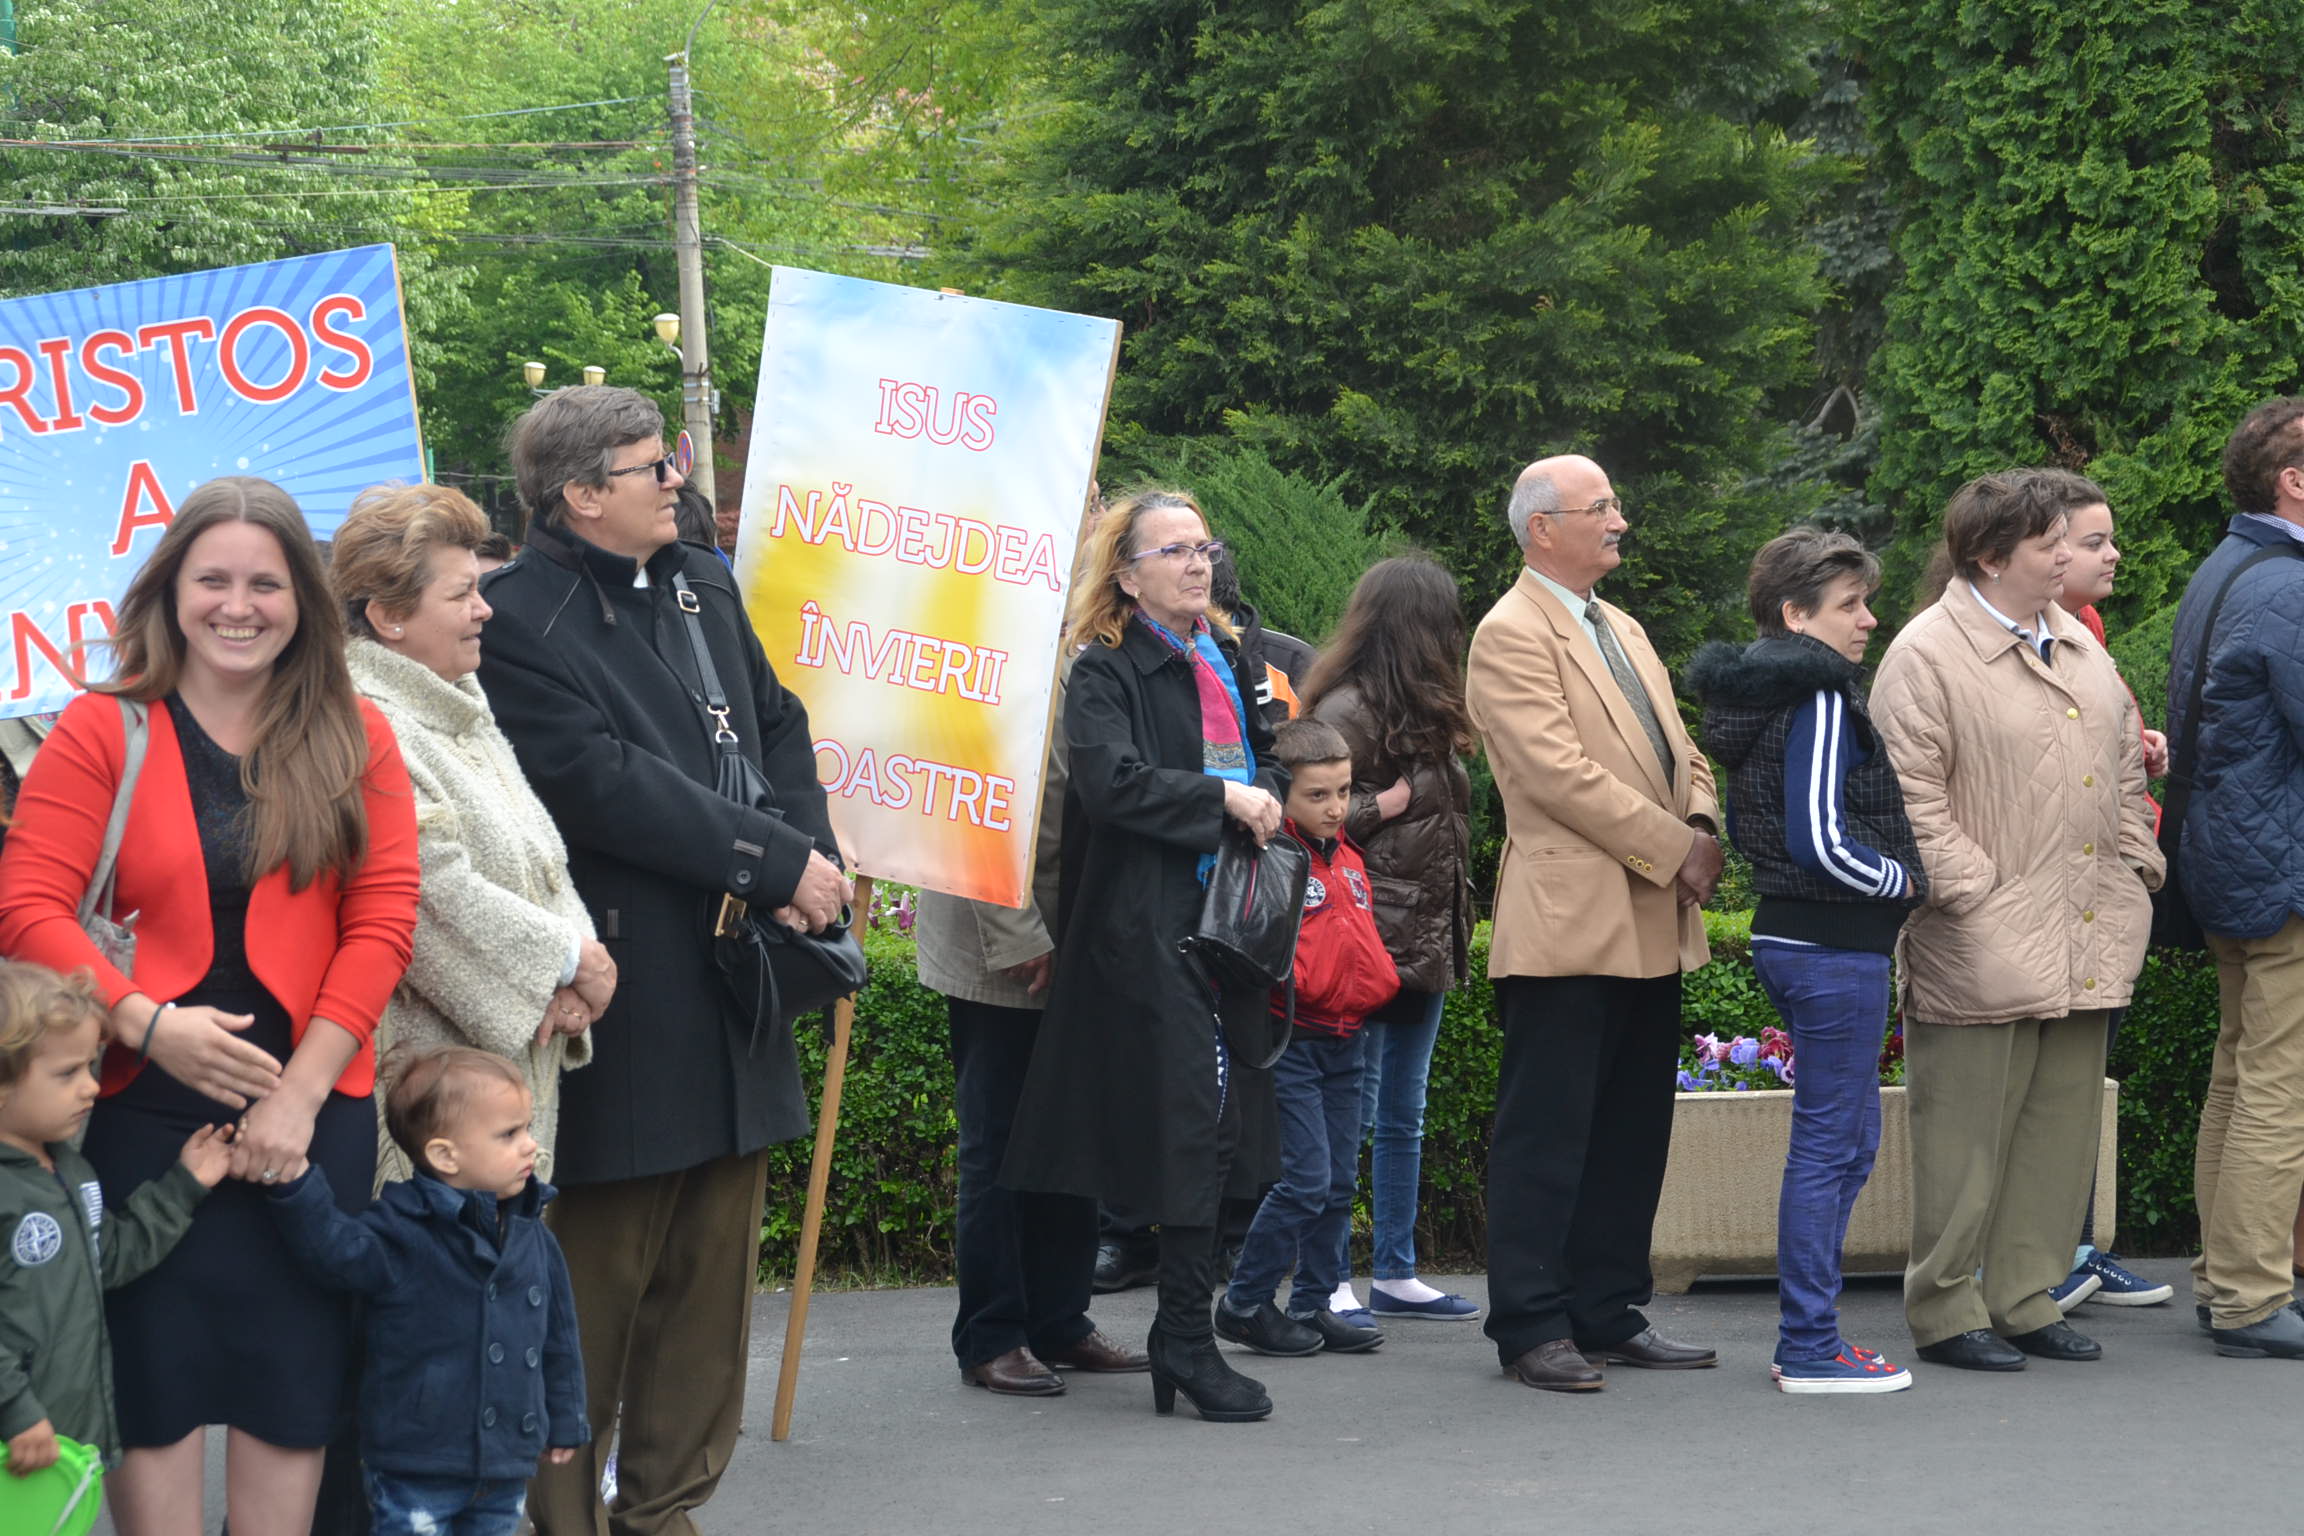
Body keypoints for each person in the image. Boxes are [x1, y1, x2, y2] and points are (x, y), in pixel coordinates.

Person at [0, 476, 421, 1535]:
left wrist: (300, 1099)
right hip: (138, 1117)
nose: (239, 606)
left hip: (306, 1126)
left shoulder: (359, 733)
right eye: (213, 580)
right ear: (170, 590)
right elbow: (25, 906)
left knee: (293, 1394)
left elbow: (383, 919)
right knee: (155, 1394)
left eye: (265, 584)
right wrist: (147, 1024)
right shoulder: (102, 728)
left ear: (303, 600)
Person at [474, 386, 849, 1533]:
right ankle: (566, 1521)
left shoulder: (702, 581)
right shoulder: (517, 620)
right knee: (593, 1291)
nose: (677, 480)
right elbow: (603, 784)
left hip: (741, 984)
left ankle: (666, 1511)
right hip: (628, 997)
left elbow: (777, 724)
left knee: (710, 1292)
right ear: (582, 494)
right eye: (653, 466)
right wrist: (772, 863)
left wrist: (814, 863)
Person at [1000, 488, 1288, 1424]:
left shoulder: (1228, 656)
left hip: (1229, 927)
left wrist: (1267, 792)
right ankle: (1187, 1341)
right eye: (1174, 550)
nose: (1199, 563)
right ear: (1126, 576)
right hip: (1150, 931)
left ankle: (1183, 1338)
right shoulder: (1104, 669)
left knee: (1223, 1130)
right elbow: (1110, 785)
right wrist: (1223, 800)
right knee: (1188, 1130)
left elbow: (1274, 756)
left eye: (1204, 546)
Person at [1871, 467, 2161, 1372]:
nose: (2074, 555)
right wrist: (1975, 892)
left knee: (2058, 1132)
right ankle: (1946, 1309)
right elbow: (1908, 800)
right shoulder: (1924, 654)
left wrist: (2134, 868)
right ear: (1992, 558)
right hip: (1977, 937)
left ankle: (2026, 1297)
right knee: (1962, 1139)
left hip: (2088, 926)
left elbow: (2124, 771)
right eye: (2054, 543)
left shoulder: (2077, 642)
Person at [1466, 454, 1723, 1393]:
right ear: (1542, 528)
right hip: (1570, 921)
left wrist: (1702, 821)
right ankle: (1531, 1324)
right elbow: (1554, 776)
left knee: (1629, 1130)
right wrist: (1676, 846)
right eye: (1601, 507)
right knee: (1547, 1135)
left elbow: (1681, 747)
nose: (1620, 521)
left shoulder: (1621, 624)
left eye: (1616, 503)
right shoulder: (1508, 632)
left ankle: (1607, 1310)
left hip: (1650, 911)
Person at [1687, 528, 1924, 1393]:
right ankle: (1811, 1345)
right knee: (1831, 1146)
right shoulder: (1819, 695)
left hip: (1803, 940)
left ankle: (1813, 1338)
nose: (1868, 620)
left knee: (1846, 1140)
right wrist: (1902, 880)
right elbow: (1818, 837)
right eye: (1850, 605)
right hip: (1831, 944)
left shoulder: (1778, 692)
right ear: (1795, 615)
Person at [328, 483, 613, 1185]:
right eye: (461, 594)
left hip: (494, 1106)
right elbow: (426, 893)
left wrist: (575, 969)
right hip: (430, 1124)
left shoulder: (457, 701)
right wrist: (567, 960)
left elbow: (543, 860)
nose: (486, 608)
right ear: (389, 617)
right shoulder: (367, 726)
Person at [913, 670, 1148, 1395]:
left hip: (1078, 943)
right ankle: (992, 1334)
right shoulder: (1001, 647)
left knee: (1073, 1137)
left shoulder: (1100, 651)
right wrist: (1016, 936)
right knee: (999, 1146)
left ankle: (1060, 1321)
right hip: (1005, 947)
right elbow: (973, 802)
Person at [260, 1044, 587, 1536]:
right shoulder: (401, 1229)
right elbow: (336, 1251)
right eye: (509, 1134)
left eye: (526, 1128)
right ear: (444, 1155)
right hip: (416, 1461)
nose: (529, 1146)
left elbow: (559, 1338)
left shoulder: (533, 1235)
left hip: (504, 1460)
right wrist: (295, 1183)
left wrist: (565, 1418)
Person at [1302, 554, 1479, 1327]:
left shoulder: (1425, 712)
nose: (1455, 633)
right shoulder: (1347, 710)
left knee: (1404, 1112)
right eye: (1445, 619)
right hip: (1365, 940)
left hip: (1423, 935)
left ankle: (1397, 1272)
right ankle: (1329, 1276)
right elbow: (1304, 812)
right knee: (1353, 1111)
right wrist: (1383, 805)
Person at [2167, 397, 2304, 1359]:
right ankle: (2252, 1297)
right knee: (2277, 1089)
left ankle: (2224, 1282)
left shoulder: (2225, 566)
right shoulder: (2290, 586)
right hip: (2281, 871)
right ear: (2293, 482)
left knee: (2238, 1074)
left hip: (2229, 858)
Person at [0, 963, 231, 1474]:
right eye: (67, 1073)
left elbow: (107, 1258)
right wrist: (15, 1410)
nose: (90, 1087)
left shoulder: (71, 1169)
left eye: (91, 1067)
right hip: (16, 1445)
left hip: (63, 1454)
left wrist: (185, 1185)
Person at [1215, 718, 1398, 1357]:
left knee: (1339, 1181)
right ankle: (1243, 1303)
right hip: (1293, 1040)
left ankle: (1314, 1304)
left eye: (1344, 791)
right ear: (1281, 795)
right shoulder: (1270, 857)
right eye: (1317, 795)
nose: (1336, 807)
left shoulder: (1348, 857)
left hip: (1350, 1039)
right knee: (1307, 1180)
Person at [2042, 497, 2175, 1311]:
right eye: (2095, 542)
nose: (2114, 554)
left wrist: (2140, 748)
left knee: (2084, 1077)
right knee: (2052, 1086)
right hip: (2065, 895)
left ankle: (2074, 1248)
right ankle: (2038, 1258)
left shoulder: (2085, 626)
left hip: (2107, 888)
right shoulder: (2029, 639)